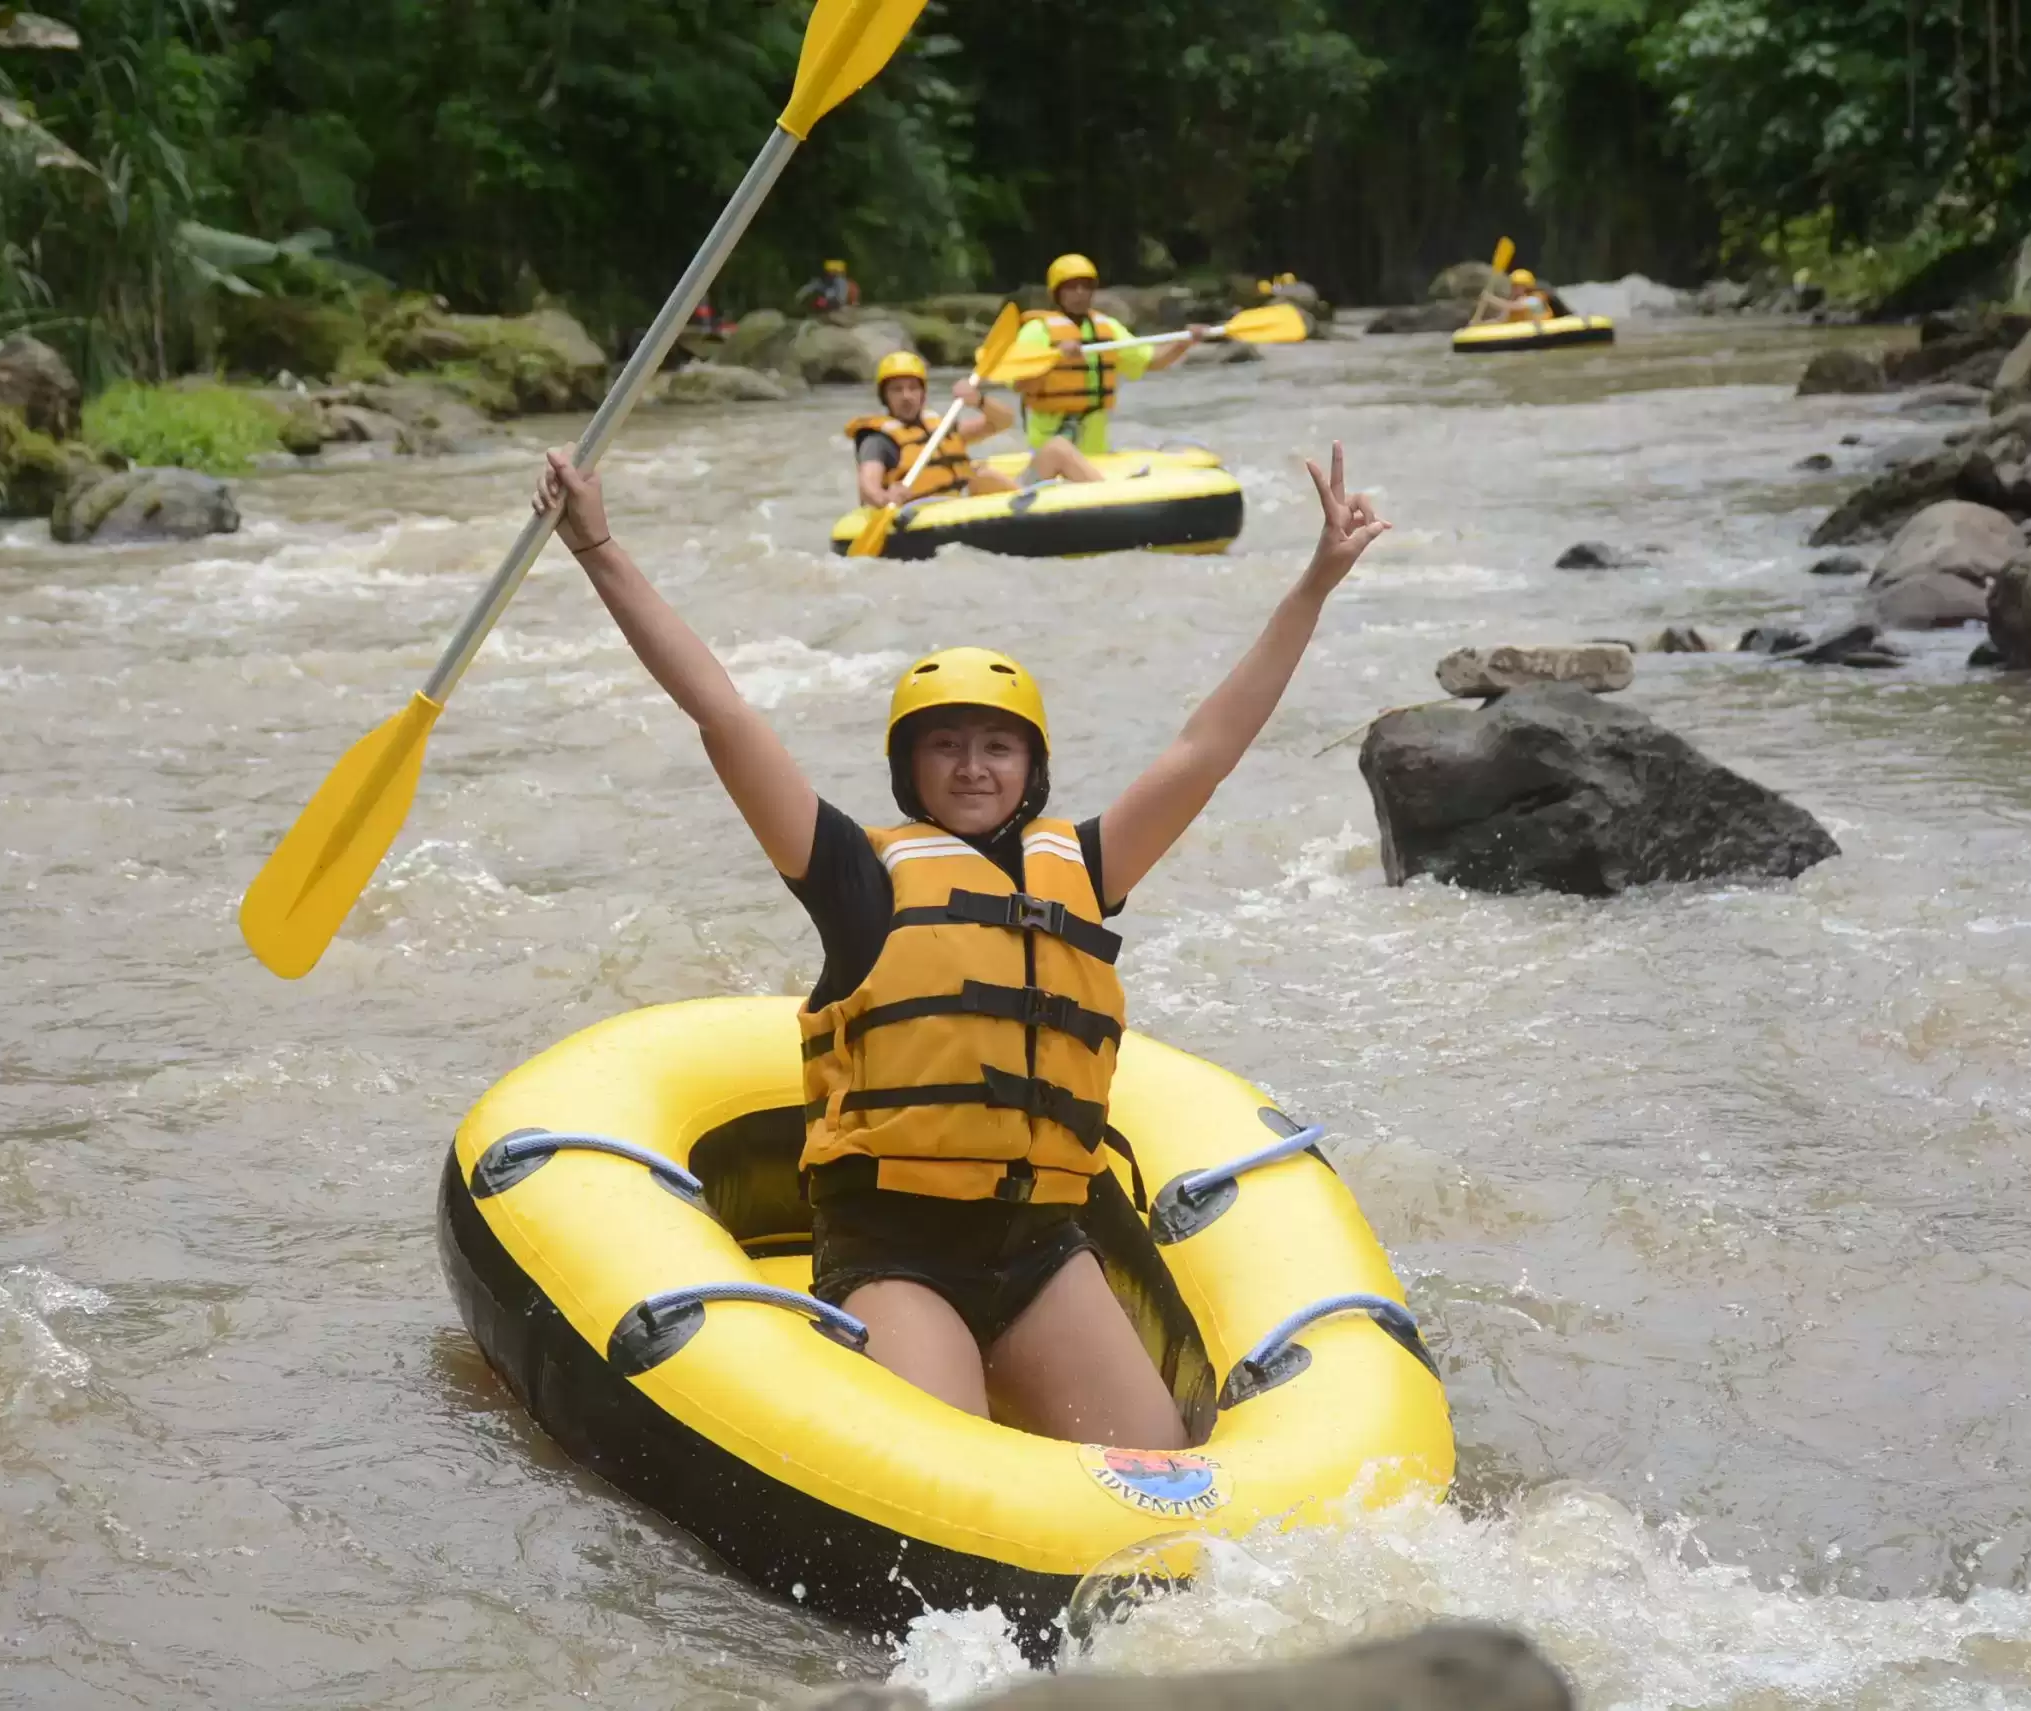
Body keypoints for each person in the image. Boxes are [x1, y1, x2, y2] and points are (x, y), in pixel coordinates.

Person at [529, 439, 1391, 1448]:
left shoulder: (1086, 867)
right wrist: (595, 544)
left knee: (1162, 1471)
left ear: (1030, 768)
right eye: (946, 744)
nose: (973, 767)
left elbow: (1207, 748)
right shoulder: (856, 878)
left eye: (997, 746)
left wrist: (1314, 583)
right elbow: (720, 711)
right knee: (949, 1466)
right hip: (893, 1247)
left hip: (1038, 1247)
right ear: (910, 767)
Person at [1008, 254, 1208, 472]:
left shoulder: (1108, 328)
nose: (1080, 294)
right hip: (1051, 451)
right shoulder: (1037, 331)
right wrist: (1054, 359)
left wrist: (1184, 343)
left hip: (1096, 453)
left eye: (1086, 287)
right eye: (1071, 287)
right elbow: (1020, 385)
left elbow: (1152, 361)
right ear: (1056, 293)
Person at [850, 352, 1091, 508]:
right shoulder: (878, 440)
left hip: (987, 503)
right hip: (945, 511)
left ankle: (1118, 501)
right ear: (885, 396)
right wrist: (885, 498)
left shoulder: (941, 426)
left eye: (913, 388)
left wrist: (978, 401)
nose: (907, 396)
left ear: (923, 392)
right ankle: (1044, 511)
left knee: (1056, 448)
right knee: (982, 477)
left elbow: (1003, 422)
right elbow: (868, 484)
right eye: (897, 390)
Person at [1472, 267, 1556, 326]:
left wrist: (1490, 298)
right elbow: (1501, 321)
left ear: (1526, 286)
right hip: (1521, 332)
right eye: (1513, 285)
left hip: (1542, 330)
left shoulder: (1534, 300)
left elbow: (1512, 306)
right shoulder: (1514, 300)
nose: (1513, 288)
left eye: (1517, 285)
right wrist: (1480, 323)